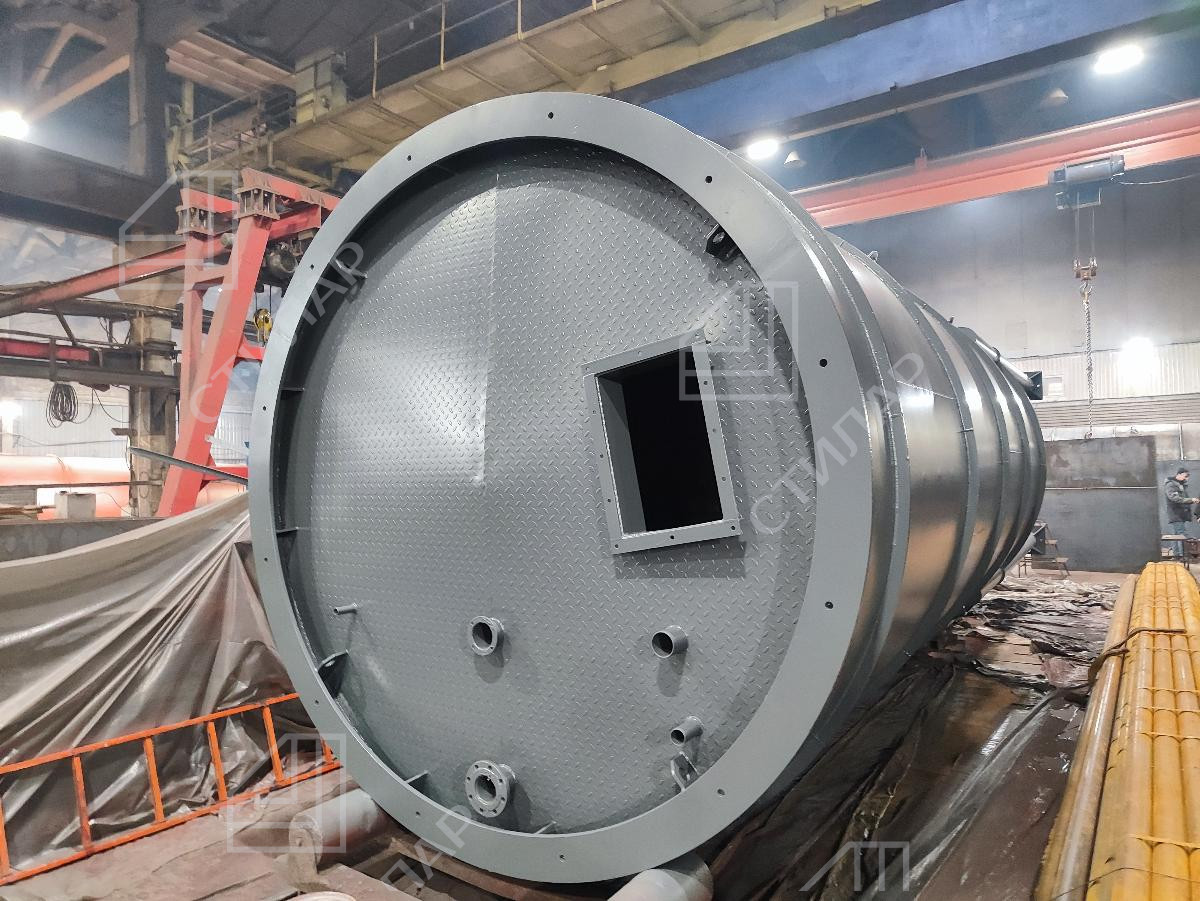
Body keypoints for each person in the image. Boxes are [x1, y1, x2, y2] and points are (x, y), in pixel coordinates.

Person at [1165, 467, 1199, 538]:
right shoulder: (1171, 485)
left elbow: (1181, 498)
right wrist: (1191, 500)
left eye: (1188, 476)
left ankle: (1177, 546)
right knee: (1181, 535)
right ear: (1179, 474)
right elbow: (1174, 498)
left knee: (1176, 536)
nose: (1187, 478)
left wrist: (1191, 500)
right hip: (1176, 514)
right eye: (1185, 476)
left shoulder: (1180, 485)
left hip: (1180, 514)